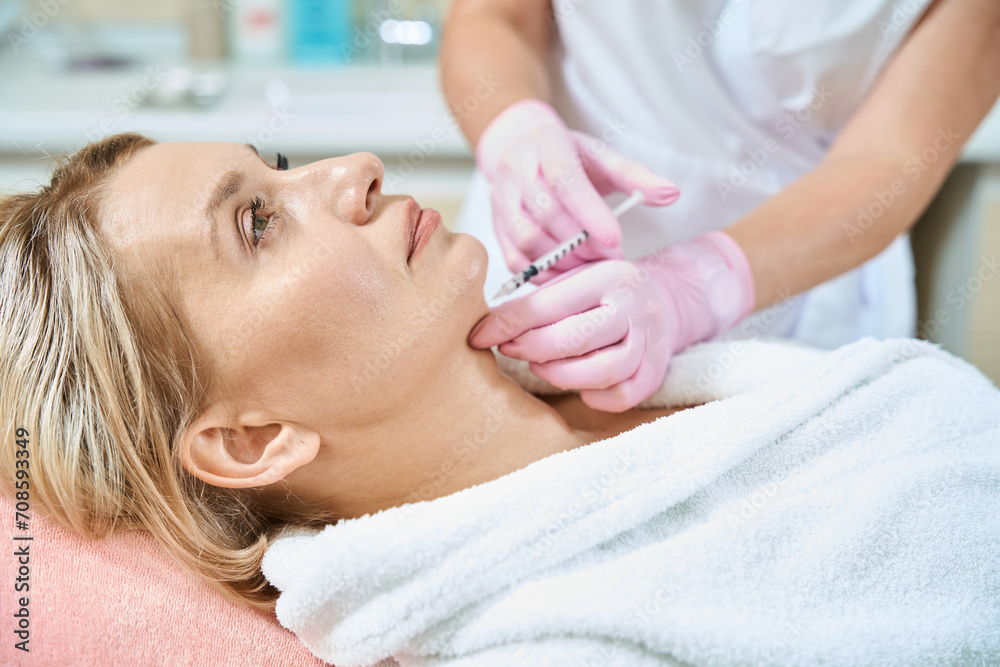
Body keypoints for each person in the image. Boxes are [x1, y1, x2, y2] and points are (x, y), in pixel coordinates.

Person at [1, 135, 997, 665]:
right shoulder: (556, 643)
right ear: (253, 438)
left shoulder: (679, 389)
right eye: (260, 221)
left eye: (277, 163)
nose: (354, 169)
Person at [439, 0, 1000, 412]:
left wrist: (696, 286)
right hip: (535, 223)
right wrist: (514, 127)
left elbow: (887, 158)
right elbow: (492, 18)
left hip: (792, 275)